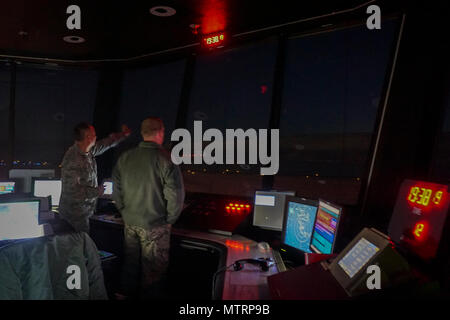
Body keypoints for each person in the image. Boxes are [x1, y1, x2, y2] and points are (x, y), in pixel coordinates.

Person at [112, 117, 185, 299]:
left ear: (143, 133)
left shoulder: (125, 158)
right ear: (161, 132)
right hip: (156, 226)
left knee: (130, 266)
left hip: (130, 223)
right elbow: (175, 197)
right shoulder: (166, 159)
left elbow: (116, 192)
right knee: (153, 273)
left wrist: (125, 213)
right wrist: (169, 221)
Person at [59, 122, 131, 233]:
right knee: (79, 247)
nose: (96, 137)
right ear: (88, 137)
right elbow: (73, 191)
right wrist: (98, 191)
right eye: (94, 134)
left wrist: (123, 135)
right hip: (74, 217)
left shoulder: (88, 151)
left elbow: (106, 143)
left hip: (85, 213)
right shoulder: (72, 160)